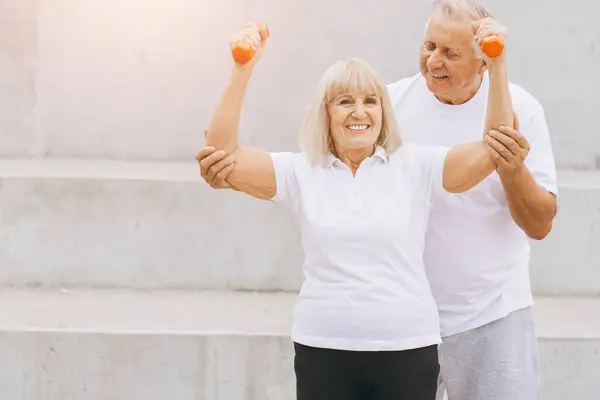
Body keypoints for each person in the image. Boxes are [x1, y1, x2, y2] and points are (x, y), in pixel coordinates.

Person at [197, 1, 558, 399]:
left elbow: (495, 147)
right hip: (329, 346)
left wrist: (499, 61)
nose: (361, 112)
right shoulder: (302, 170)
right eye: (345, 102)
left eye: (370, 102)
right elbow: (224, 154)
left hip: (458, 323)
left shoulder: (417, 165)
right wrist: (242, 67)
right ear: (325, 113)